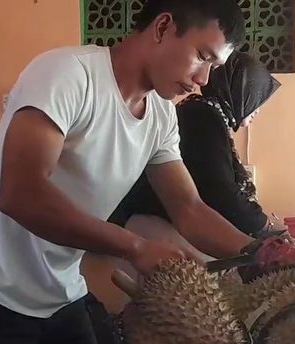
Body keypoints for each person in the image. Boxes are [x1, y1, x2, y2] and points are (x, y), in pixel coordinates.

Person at [0, 0, 267, 344]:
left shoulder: (161, 115)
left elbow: (188, 208)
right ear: (163, 27)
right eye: (203, 57)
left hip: (60, 294)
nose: (203, 80)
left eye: (214, 68)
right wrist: (135, 247)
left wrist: (266, 251)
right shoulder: (68, 74)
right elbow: (20, 192)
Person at [111, 51, 282, 247]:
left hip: (169, 224)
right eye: (257, 96)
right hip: (152, 228)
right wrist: (266, 229)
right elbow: (221, 193)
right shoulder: (201, 117)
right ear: (240, 89)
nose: (257, 109)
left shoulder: (208, 114)